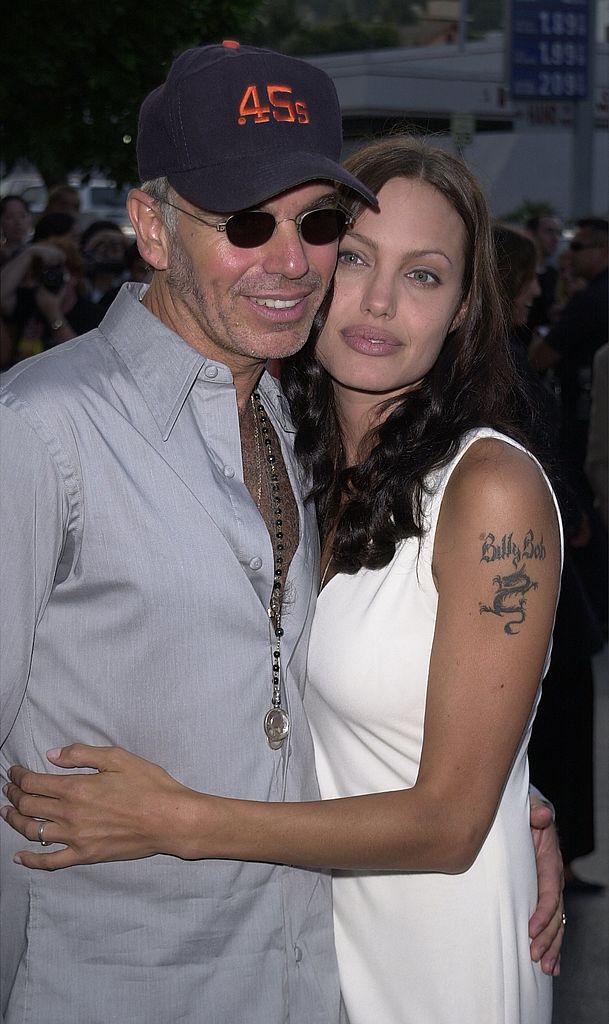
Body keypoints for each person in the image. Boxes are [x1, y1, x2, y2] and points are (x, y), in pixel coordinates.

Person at [2, 131, 565, 1024]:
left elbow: (450, 822)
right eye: (352, 258)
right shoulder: (286, 455)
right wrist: (521, 788)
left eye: (424, 275)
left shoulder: (490, 489)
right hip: (309, 937)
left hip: (432, 949)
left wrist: (175, 819)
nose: (378, 301)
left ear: (463, 309)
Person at [492, 222, 603, 894]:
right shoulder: (500, 366)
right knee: (552, 710)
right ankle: (552, 853)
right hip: (537, 565)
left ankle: (559, 851)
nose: (538, 288)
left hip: (549, 555)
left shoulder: (504, 357)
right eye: (528, 276)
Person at [525, 213, 562, 334]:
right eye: (549, 232)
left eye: (558, 233)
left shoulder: (554, 274)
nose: (555, 238)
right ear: (531, 234)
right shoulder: (519, 272)